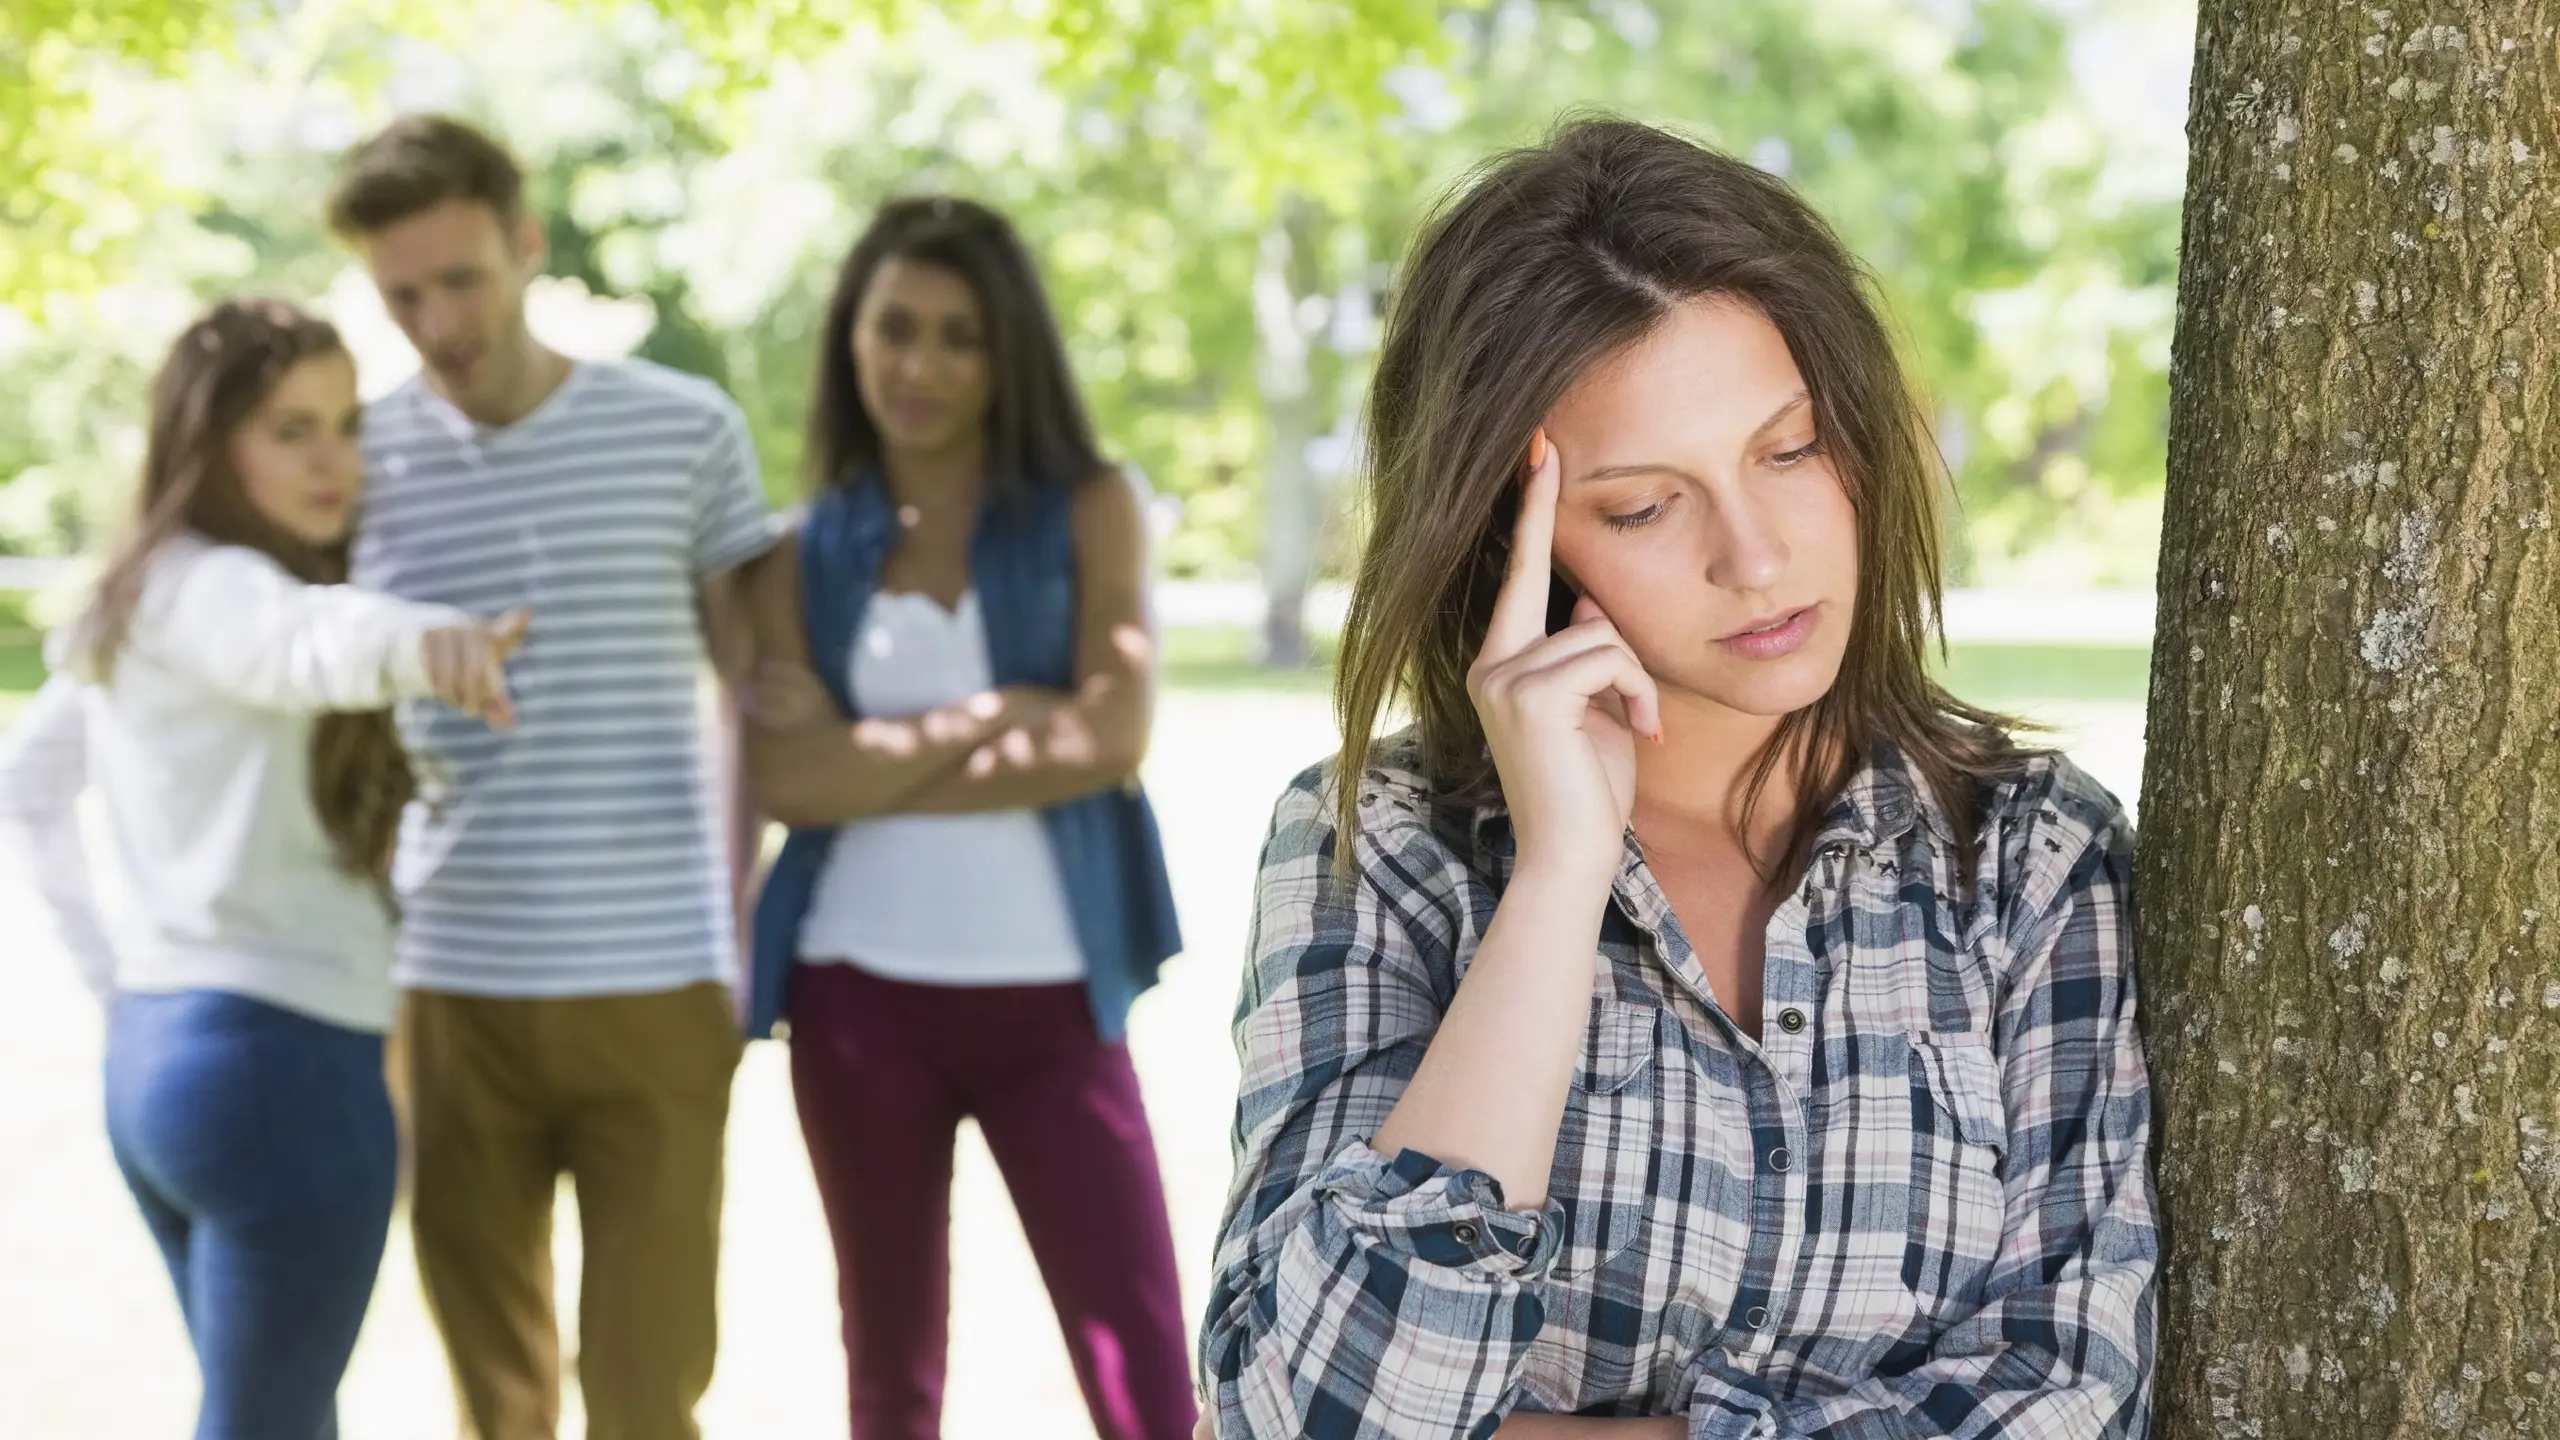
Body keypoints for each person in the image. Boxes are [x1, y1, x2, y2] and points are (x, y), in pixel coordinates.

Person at [1195, 118, 2158, 1437]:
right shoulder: (1380, 841)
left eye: (1791, 448)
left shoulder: (2031, 861)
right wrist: (1554, 888)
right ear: (1510, 544)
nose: (1757, 558)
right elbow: (1308, 1416)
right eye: (1647, 506)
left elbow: (2068, 1400)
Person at [0, 298, 527, 1440]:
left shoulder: (141, 598)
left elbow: (27, 785)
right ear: (208, 438)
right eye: (290, 430)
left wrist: (118, 981)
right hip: (281, 1076)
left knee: (268, 1415)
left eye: (344, 425)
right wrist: (421, 642)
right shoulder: (224, 590)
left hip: (157, 1066)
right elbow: (310, 642)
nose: (333, 459)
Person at [325, 114, 775, 1440]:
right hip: (449, 989)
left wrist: (740, 924)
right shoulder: (355, 458)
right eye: (401, 294)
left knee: (646, 1389)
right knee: (494, 1396)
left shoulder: (685, 430)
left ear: (525, 246)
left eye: (459, 279)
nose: (436, 320)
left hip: (658, 982)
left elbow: (756, 699)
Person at [740, 195, 1195, 1440]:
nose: (920, 366)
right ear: (851, 341)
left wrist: (865, 759)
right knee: (888, 1366)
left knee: (1143, 1372)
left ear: (1007, 355)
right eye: (894, 329)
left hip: (1052, 1001)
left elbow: (1110, 736)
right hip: (856, 1002)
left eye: (958, 336)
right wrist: (996, 711)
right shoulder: (794, 552)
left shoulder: (1091, 505)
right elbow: (792, 786)